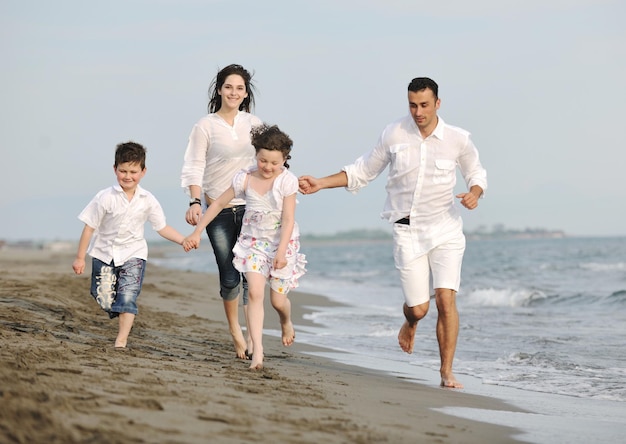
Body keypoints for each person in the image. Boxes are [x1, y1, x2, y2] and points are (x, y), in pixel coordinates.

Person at [298, 77, 487, 389]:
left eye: (424, 105)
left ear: (438, 104)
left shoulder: (458, 139)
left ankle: (446, 372)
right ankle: (410, 321)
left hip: (446, 229)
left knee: (445, 300)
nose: (418, 111)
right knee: (419, 308)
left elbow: (476, 173)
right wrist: (320, 182)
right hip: (407, 231)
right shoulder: (394, 133)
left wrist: (475, 193)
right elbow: (362, 171)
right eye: (412, 105)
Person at [184, 123, 306, 370]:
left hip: (282, 242)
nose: (268, 167)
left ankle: (286, 321)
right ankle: (258, 351)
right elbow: (217, 204)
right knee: (254, 294)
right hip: (253, 243)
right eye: (263, 160)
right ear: (256, 155)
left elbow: (289, 219)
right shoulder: (245, 178)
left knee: (277, 301)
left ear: (284, 159)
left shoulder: (287, 181)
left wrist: (281, 251)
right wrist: (197, 231)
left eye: (274, 162)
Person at [180, 64, 262, 360]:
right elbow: (194, 165)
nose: (234, 92)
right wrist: (194, 201)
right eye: (229, 87)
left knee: (250, 276)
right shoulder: (206, 125)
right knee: (229, 276)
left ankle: (253, 335)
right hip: (218, 210)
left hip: (252, 209)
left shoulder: (254, 123)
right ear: (219, 90)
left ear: (245, 93)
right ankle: (234, 331)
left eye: (239, 88)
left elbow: (270, 159)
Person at [72, 141, 187, 348]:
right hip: (103, 254)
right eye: (123, 171)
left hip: (134, 253)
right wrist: (80, 257)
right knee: (104, 298)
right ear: (115, 169)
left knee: (127, 296)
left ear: (143, 171)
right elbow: (89, 227)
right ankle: (119, 307)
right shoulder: (105, 197)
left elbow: (161, 227)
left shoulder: (148, 200)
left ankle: (121, 339)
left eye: (133, 171)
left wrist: (183, 240)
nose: (127, 176)